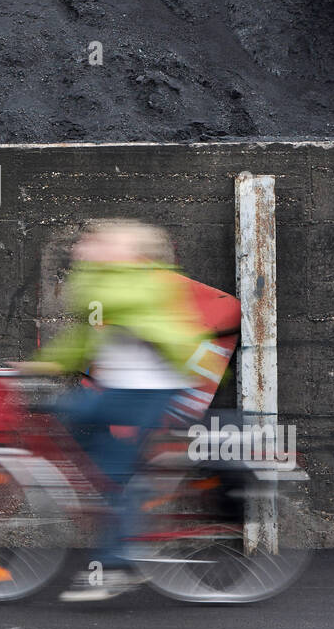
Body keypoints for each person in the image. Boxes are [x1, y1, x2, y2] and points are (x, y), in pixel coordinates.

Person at [20, 220, 212, 602]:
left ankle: (117, 562)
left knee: (107, 466)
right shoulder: (111, 286)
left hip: (149, 391)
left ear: (133, 253)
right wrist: (44, 365)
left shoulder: (147, 281)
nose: (87, 247)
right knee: (83, 438)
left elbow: (112, 299)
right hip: (125, 391)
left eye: (103, 242)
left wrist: (91, 266)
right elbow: (83, 337)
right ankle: (119, 500)